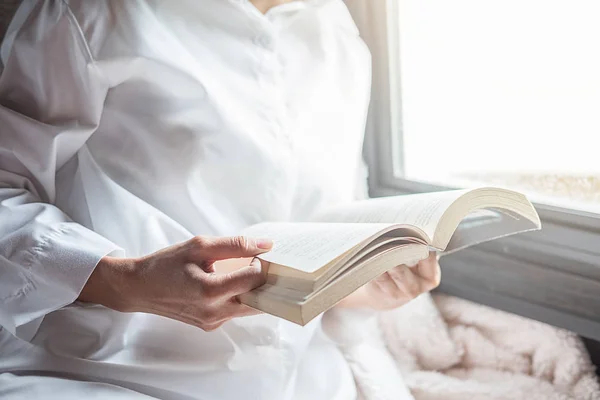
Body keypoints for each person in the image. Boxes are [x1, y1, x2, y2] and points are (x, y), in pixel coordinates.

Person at [0, 1, 441, 399]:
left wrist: (356, 288)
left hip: (306, 378)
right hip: (103, 372)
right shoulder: (91, 11)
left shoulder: (337, 32)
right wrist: (126, 281)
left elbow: (323, 211)